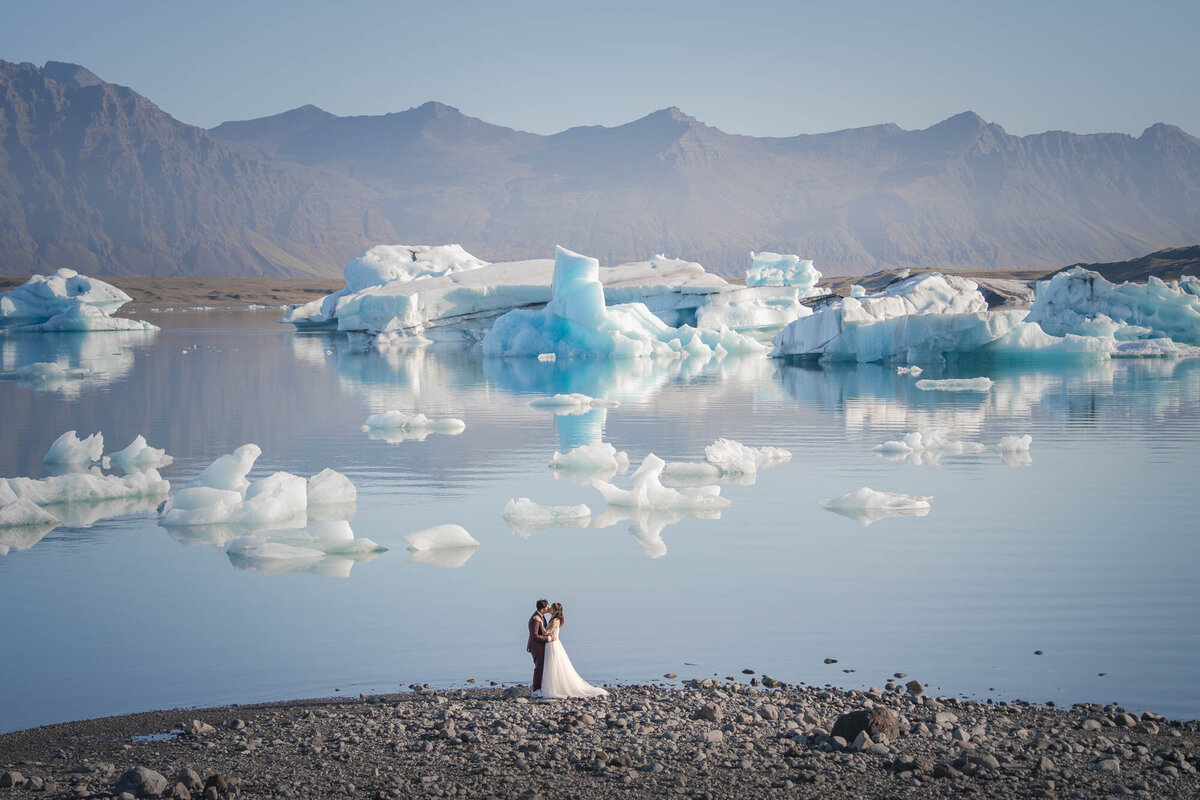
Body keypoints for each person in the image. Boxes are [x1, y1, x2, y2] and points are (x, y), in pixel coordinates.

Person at [540, 602, 608, 698]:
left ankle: (554, 688)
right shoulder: (553, 619)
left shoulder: (555, 621)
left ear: (555, 611)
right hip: (550, 644)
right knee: (552, 667)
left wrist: (539, 623)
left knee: (553, 666)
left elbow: (546, 632)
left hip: (552, 645)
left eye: (551, 608)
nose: (549, 609)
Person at [526, 599, 551, 694]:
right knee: (539, 667)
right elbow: (535, 636)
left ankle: (541, 687)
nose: (548, 609)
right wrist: (549, 639)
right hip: (537, 646)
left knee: (542, 667)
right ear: (543, 609)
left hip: (540, 646)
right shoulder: (535, 619)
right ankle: (536, 690)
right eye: (547, 607)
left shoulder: (541, 616)